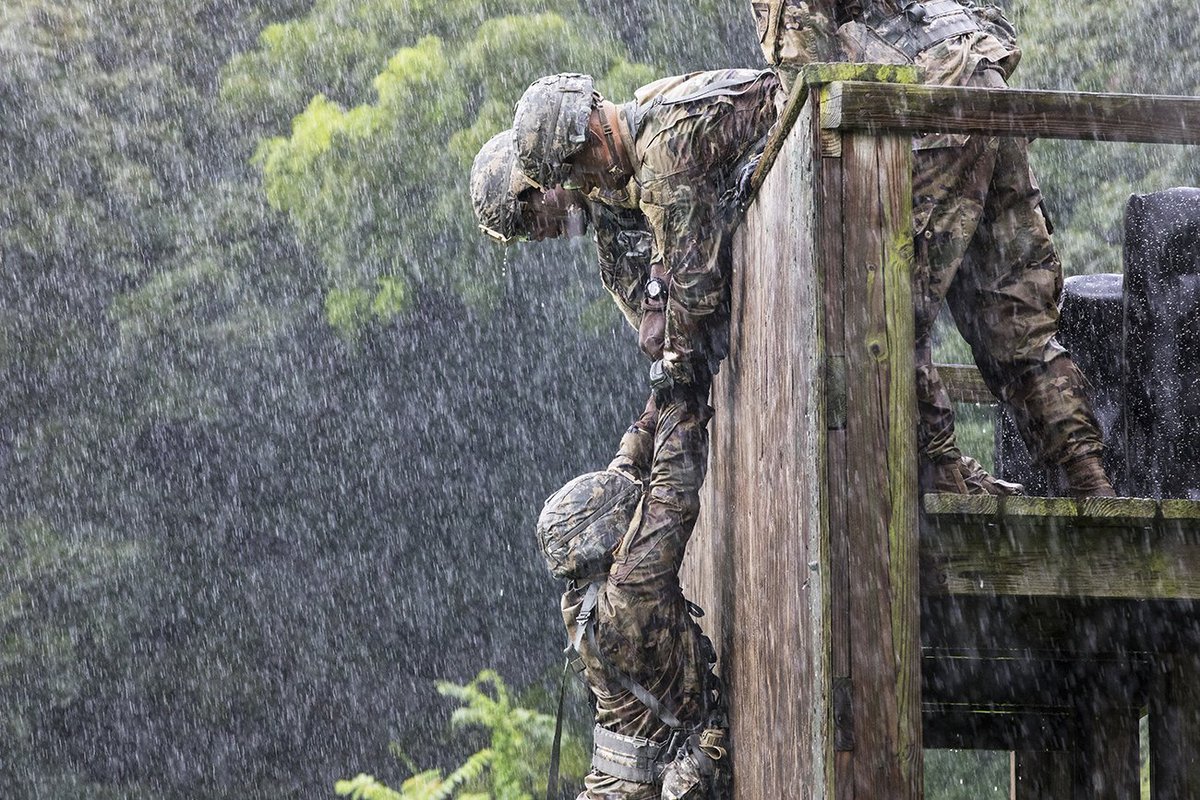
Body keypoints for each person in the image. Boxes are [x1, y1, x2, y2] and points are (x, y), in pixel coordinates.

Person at [751, 0, 1115, 497]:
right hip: (985, 81)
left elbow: (805, 69)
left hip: (925, 100)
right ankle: (1090, 485)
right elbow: (994, 18)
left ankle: (944, 488)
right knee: (1017, 317)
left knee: (889, 311)